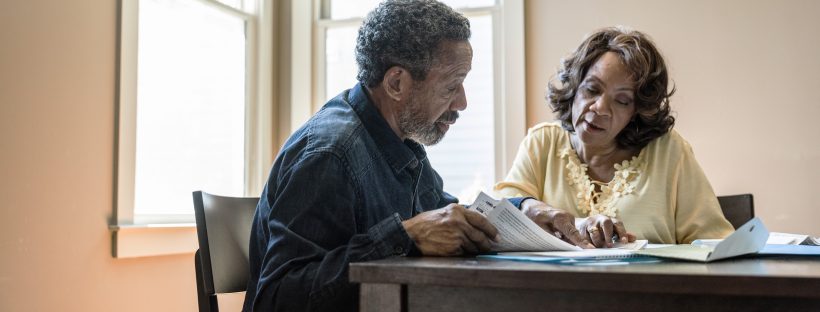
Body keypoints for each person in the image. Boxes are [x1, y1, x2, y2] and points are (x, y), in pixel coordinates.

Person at [243, 1, 589, 311]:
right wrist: (403, 237)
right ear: (396, 84)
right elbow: (277, 298)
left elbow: (445, 220)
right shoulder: (329, 154)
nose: (462, 103)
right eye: (452, 86)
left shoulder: (398, 142)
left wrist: (525, 211)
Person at [495, 26, 734, 247]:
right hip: (555, 291)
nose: (599, 108)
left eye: (621, 101)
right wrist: (534, 209)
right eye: (592, 89)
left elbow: (714, 244)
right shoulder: (543, 142)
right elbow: (498, 215)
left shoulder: (669, 151)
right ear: (575, 85)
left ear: (636, 111)